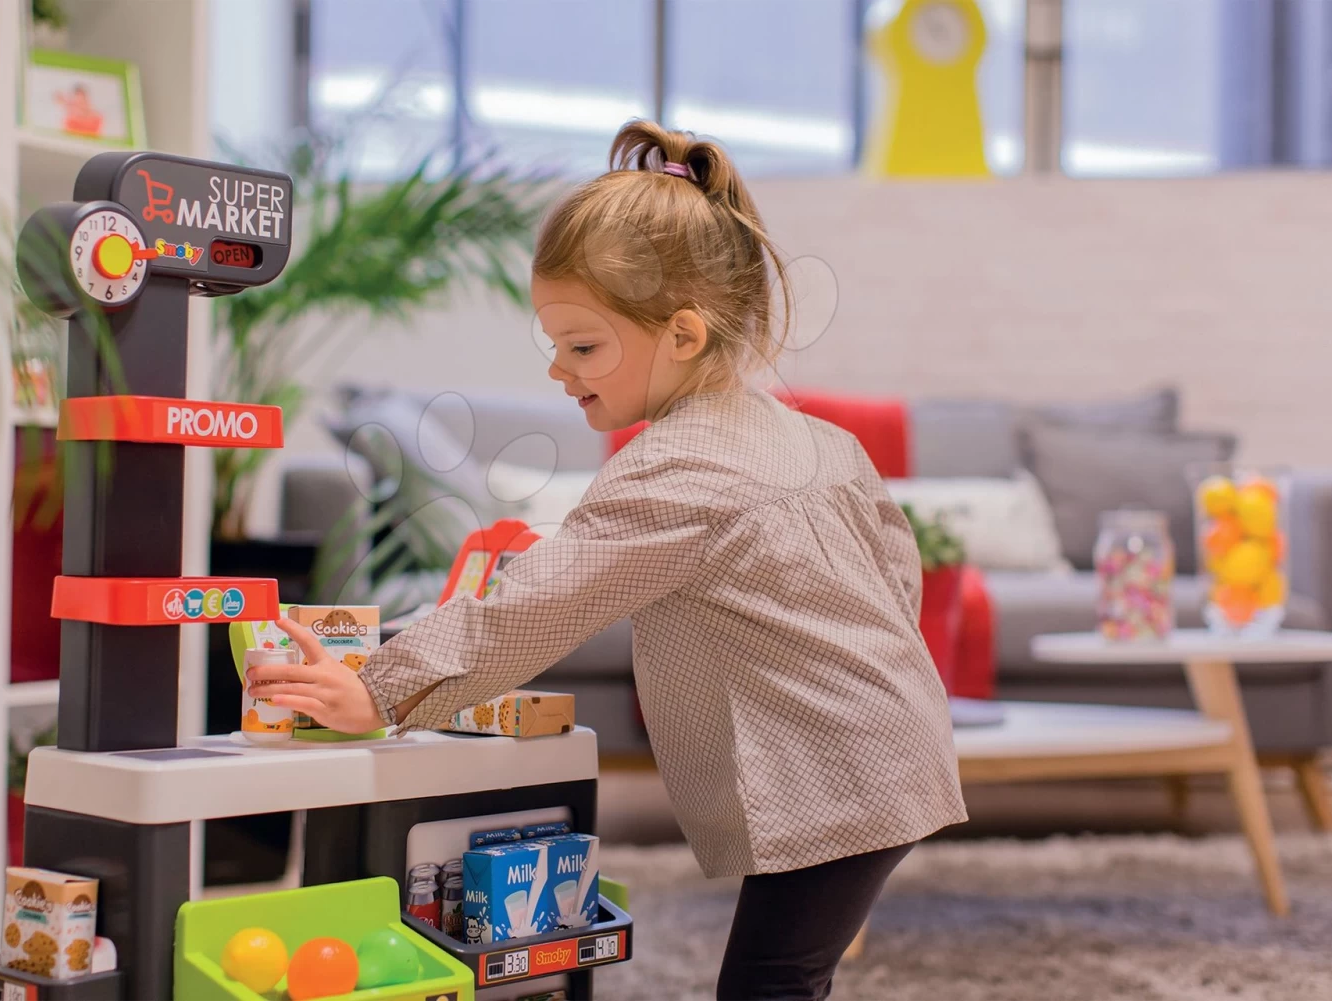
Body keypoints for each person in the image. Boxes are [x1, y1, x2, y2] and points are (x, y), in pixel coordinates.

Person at [247, 120, 967, 1000]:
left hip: (839, 773)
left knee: (772, 979)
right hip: (894, 740)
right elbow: (896, 572)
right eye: (553, 343)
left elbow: (538, 602)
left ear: (684, 335)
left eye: (583, 346)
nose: (560, 369)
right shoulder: (817, 439)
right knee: (788, 968)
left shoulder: (676, 468)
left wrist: (380, 688)